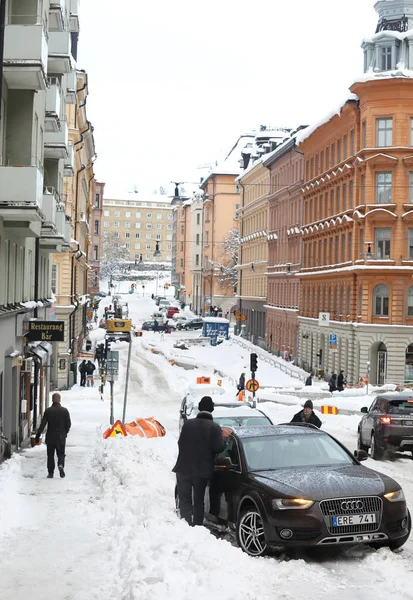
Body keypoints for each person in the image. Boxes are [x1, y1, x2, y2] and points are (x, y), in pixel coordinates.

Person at [173, 396, 231, 526]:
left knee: (184, 499)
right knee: (198, 501)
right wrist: (224, 437)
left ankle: (186, 524)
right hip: (201, 471)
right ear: (212, 409)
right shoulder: (215, 427)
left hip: (183, 467)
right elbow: (218, 447)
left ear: (199, 408)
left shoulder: (188, 424)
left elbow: (180, 443)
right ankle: (197, 527)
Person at [35, 393, 71, 478]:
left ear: (52, 400)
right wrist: (65, 432)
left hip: (50, 436)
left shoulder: (48, 411)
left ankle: (50, 472)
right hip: (61, 437)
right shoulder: (65, 411)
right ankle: (61, 465)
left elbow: (43, 424)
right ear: (59, 400)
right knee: (61, 453)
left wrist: (38, 434)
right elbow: (68, 423)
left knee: (50, 455)